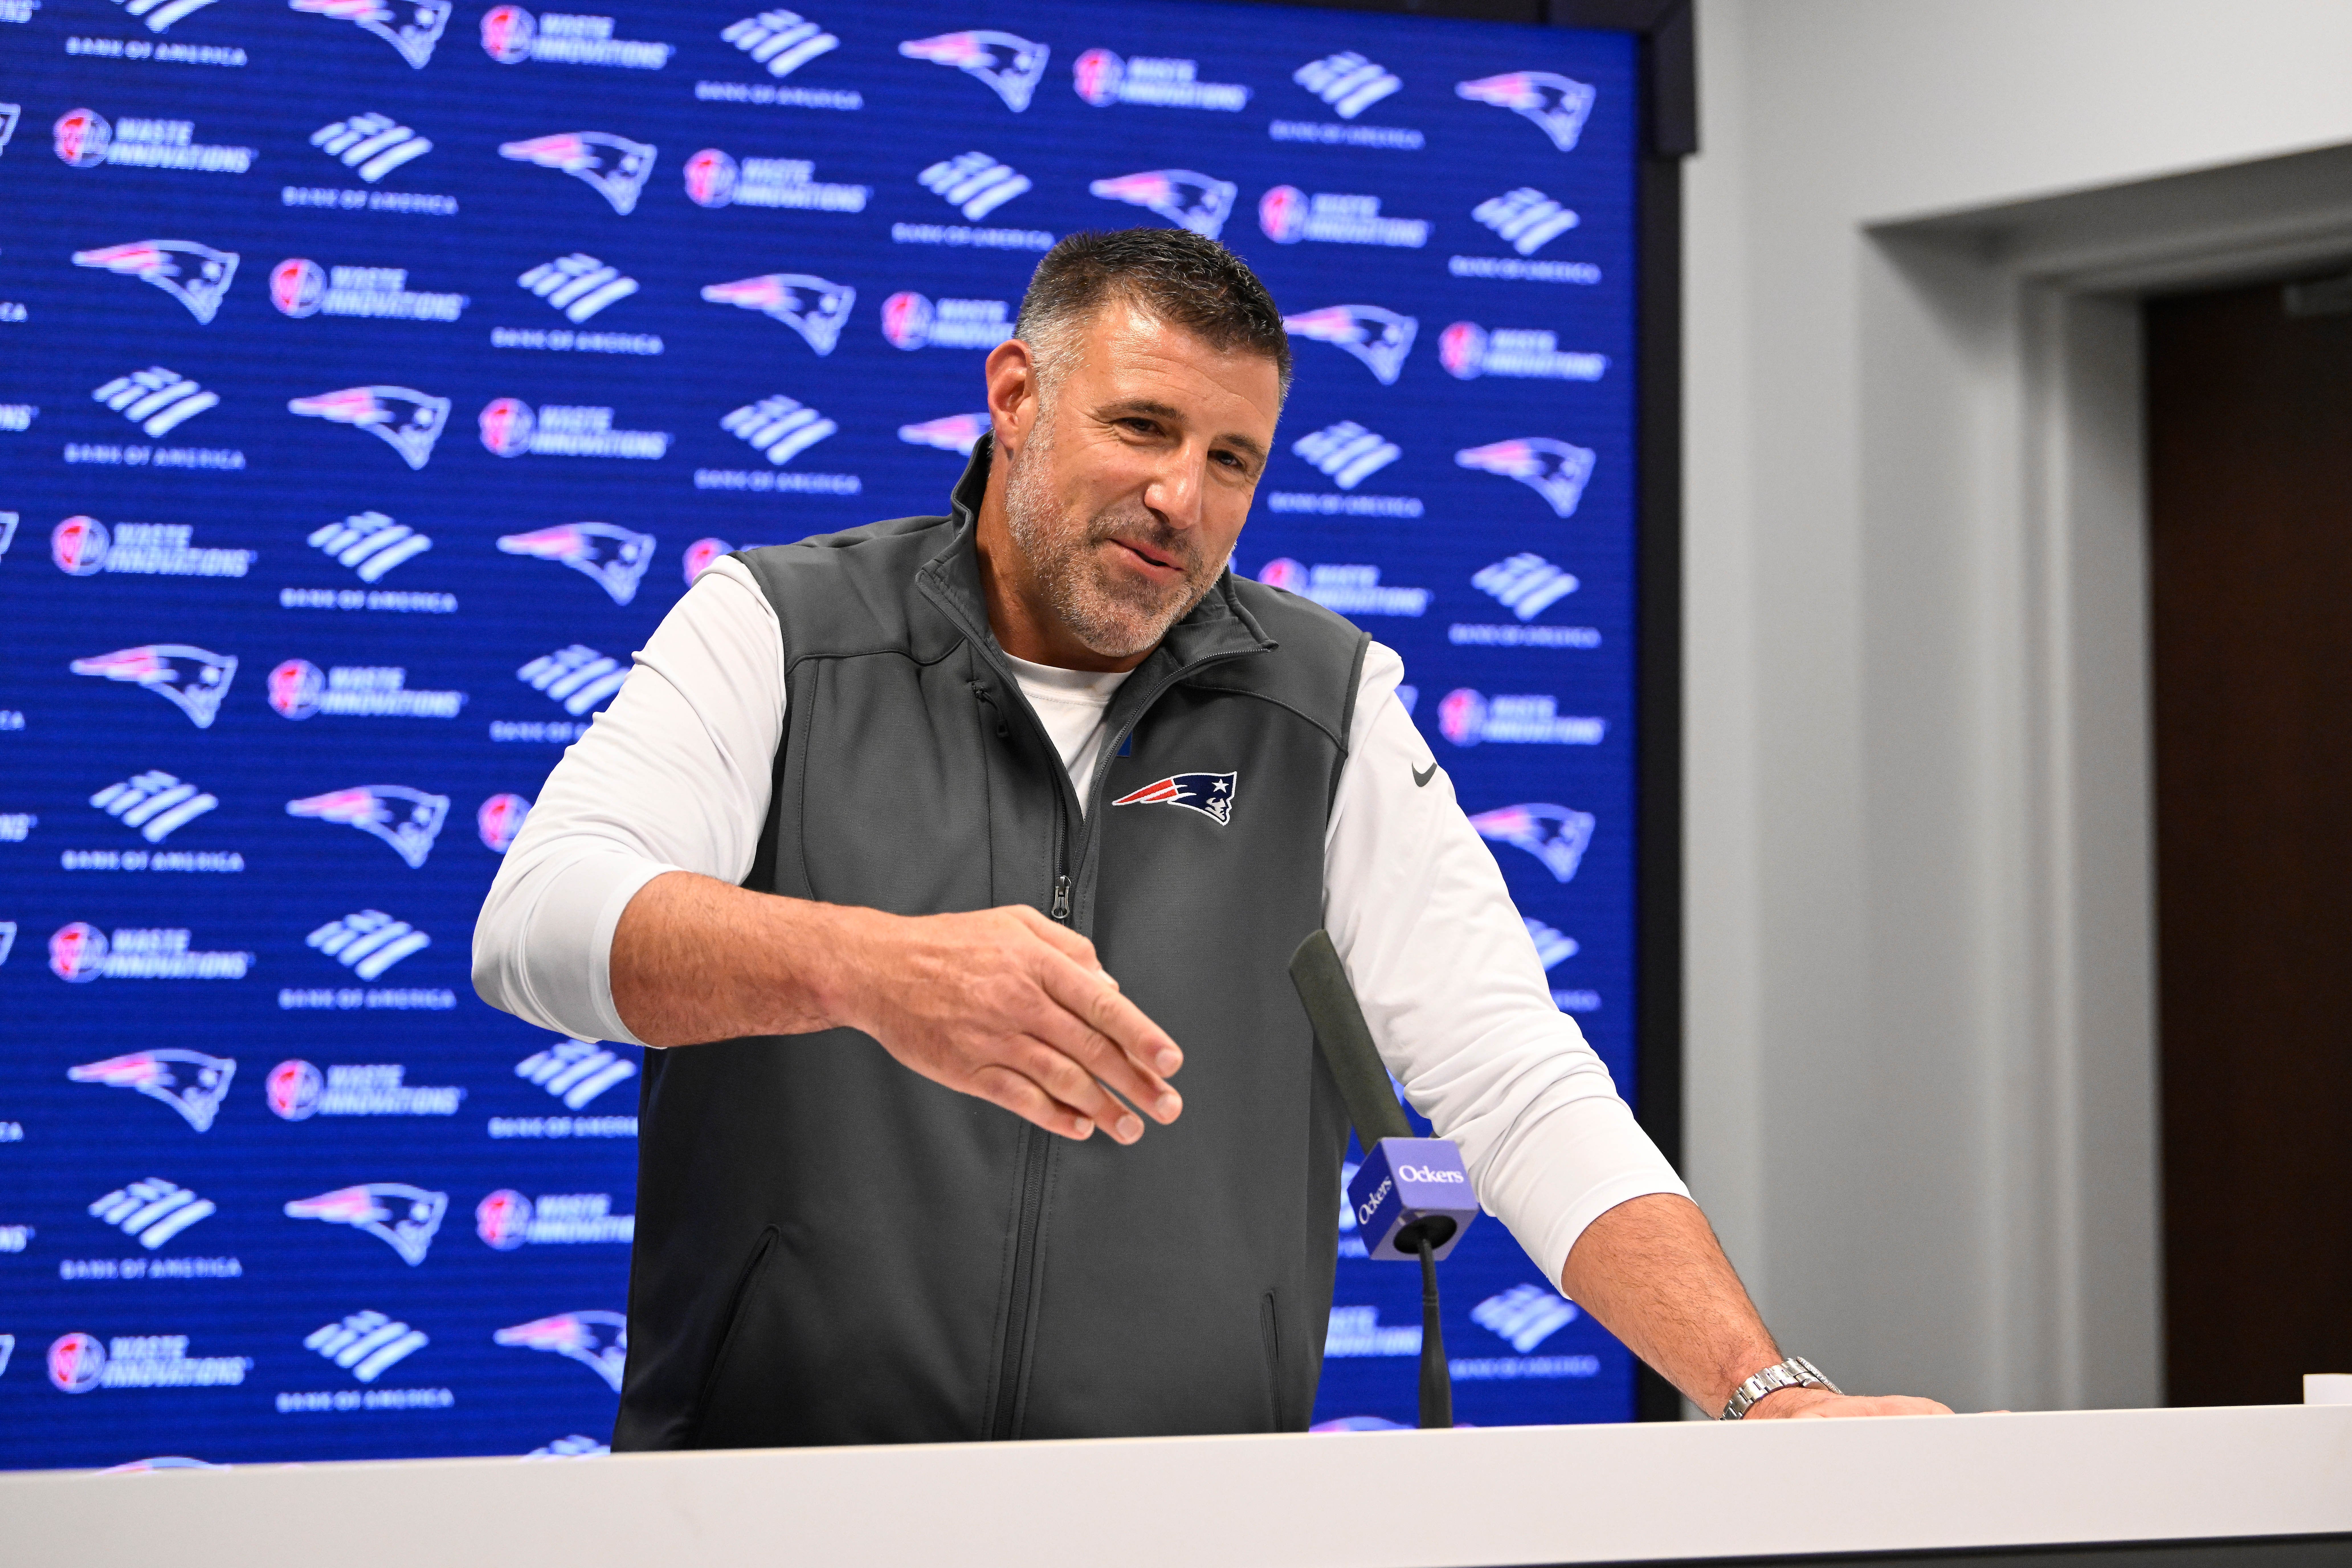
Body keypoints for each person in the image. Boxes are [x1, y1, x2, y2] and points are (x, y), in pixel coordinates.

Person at [474, 227, 1949, 1447]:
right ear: (1013, 395)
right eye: (1142, 427)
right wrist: (869, 971)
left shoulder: (1327, 702)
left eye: (1234, 459)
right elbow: (539, 926)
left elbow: (1512, 1077)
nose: (1182, 496)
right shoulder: (784, 632)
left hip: (1194, 1529)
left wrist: (1762, 1392)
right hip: (769, 1523)